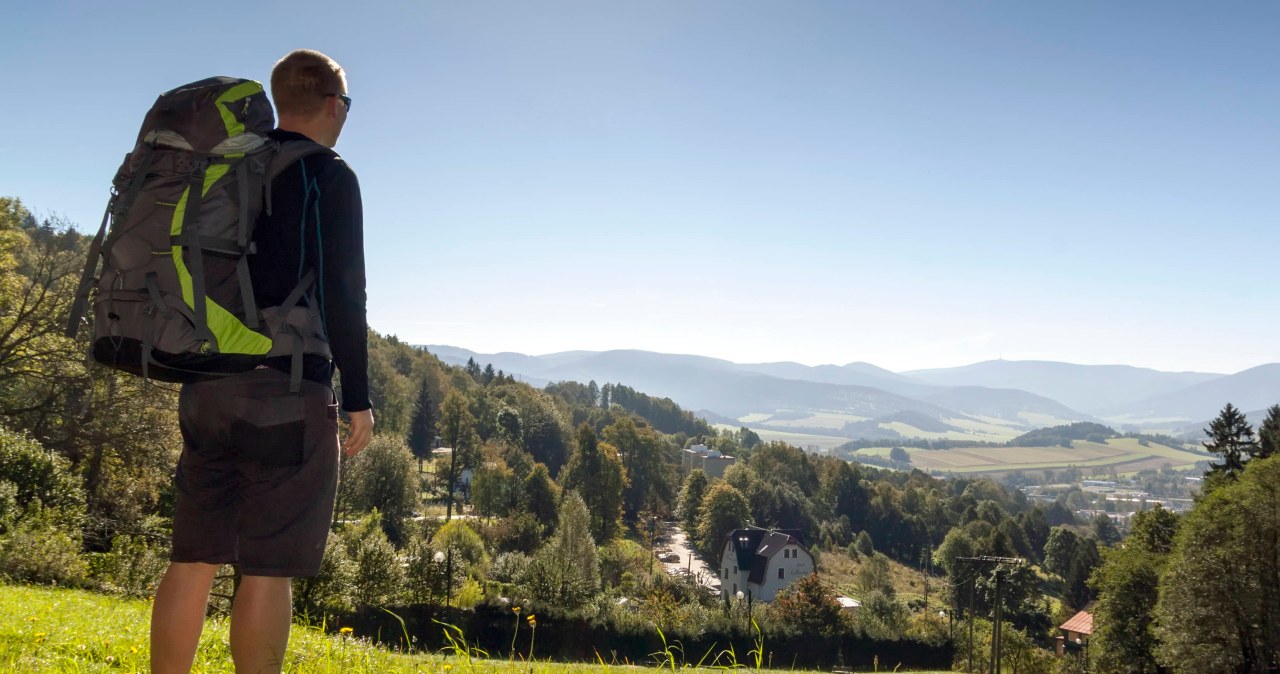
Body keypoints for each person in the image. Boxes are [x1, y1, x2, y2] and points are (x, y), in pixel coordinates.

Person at [150, 49, 374, 674]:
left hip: (204, 385)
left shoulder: (228, 167)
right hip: (284, 389)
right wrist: (357, 395)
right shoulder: (328, 175)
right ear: (334, 104)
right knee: (269, 569)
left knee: (192, 558)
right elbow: (342, 293)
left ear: (280, 101)